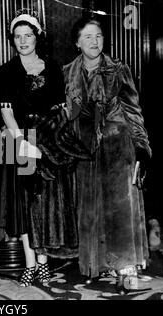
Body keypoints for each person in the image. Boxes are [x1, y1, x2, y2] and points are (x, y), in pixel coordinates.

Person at [0, 9, 86, 287]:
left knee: (44, 204)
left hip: (47, 142)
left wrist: (48, 144)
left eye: (28, 36)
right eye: (18, 37)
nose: (23, 41)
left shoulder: (53, 68)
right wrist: (21, 143)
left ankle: (43, 264)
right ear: (12, 39)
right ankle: (30, 264)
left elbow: (60, 108)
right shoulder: (5, 72)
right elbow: (6, 112)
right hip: (20, 141)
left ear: (37, 37)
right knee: (24, 205)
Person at [63, 17, 151, 295]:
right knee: (91, 210)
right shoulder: (67, 73)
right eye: (87, 37)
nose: (94, 41)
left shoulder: (118, 69)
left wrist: (142, 149)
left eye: (98, 36)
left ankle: (125, 271)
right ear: (77, 42)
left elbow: (134, 113)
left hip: (117, 147)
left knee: (120, 212)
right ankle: (97, 265)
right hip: (86, 151)